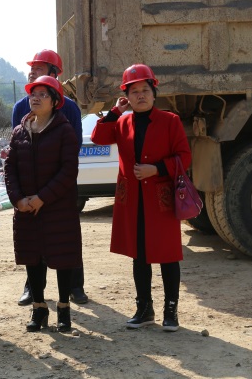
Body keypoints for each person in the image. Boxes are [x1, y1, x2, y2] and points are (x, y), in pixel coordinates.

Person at [90, 64, 191, 332]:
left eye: (145, 90)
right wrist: (115, 111)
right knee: (140, 255)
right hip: (133, 200)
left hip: (161, 199)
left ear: (154, 93)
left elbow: (184, 157)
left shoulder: (170, 121)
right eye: (134, 91)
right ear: (127, 97)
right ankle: (144, 309)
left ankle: (171, 311)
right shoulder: (122, 122)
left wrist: (156, 169)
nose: (140, 95)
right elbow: (98, 137)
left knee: (168, 255)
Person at [4, 75, 82, 332]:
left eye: (42, 94)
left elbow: (68, 171)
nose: (35, 98)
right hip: (27, 209)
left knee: (62, 257)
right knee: (32, 257)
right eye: (33, 94)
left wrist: (42, 198)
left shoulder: (64, 131)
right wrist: (18, 199)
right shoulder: (19, 132)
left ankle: (63, 308)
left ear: (55, 101)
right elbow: (10, 168)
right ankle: (38, 308)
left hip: (58, 208)